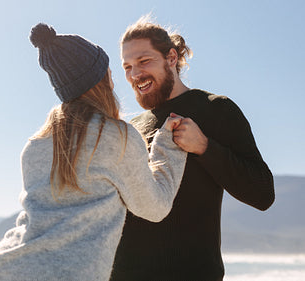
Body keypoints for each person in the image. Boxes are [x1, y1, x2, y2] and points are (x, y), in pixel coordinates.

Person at [0, 23, 187, 281]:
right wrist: (168, 144)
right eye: (109, 71)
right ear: (102, 80)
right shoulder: (116, 137)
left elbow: (32, 220)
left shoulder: (35, 145)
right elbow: (156, 208)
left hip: (0, 270)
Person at [110, 15, 275, 281]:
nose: (135, 74)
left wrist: (205, 148)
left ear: (171, 58)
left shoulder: (215, 109)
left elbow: (263, 193)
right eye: (127, 66)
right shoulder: (132, 127)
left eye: (144, 61)